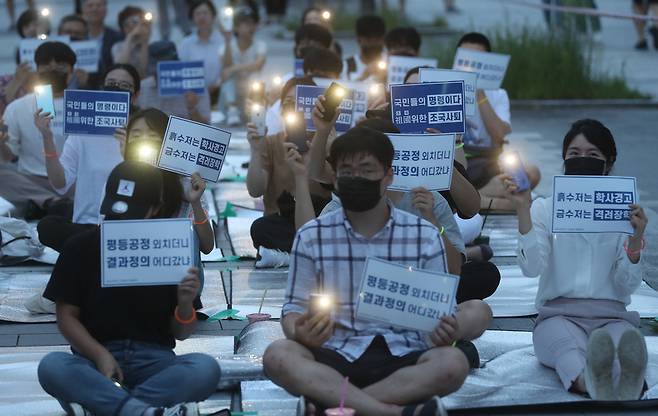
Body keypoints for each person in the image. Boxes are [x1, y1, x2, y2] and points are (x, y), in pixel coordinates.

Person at [263, 127, 492, 416]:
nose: (356, 177)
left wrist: (443, 330)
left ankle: (337, 405)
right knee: (279, 355)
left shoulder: (424, 235)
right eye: (347, 169)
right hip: (333, 350)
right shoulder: (312, 236)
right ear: (334, 177)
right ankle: (391, 412)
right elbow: (292, 309)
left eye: (367, 169)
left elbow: (439, 313)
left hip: (403, 352)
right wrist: (299, 330)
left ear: (388, 176)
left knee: (452, 363)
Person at [38, 160, 221, 416]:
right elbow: (66, 317)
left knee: (205, 368)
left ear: (155, 209)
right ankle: (143, 411)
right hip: (94, 361)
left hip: (156, 361)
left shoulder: (170, 249)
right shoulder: (80, 247)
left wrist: (184, 302)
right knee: (52, 366)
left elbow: (182, 332)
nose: (122, 220)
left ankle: (114, 406)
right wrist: (100, 355)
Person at [505, 119, 649, 400]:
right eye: (574, 154)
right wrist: (523, 209)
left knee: (623, 352)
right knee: (569, 352)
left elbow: (627, 284)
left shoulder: (625, 210)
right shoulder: (544, 208)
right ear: (564, 160)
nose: (582, 160)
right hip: (558, 316)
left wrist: (635, 239)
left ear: (609, 163)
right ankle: (591, 384)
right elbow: (531, 267)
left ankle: (628, 384)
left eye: (593, 155)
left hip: (613, 316)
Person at [36, 64, 140, 252]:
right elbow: (60, 184)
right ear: (102, 88)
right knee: (47, 226)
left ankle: (89, 249)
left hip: (129, 225)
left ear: (136, 95)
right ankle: (93, 247)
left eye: (124, 86)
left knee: (81, 244)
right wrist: (47, 136)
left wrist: (129, 151)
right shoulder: (82, 133)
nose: (116, 88)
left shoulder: (143, 131)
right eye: (111, 83)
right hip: (87, 225)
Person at [247, 77, 331, 261]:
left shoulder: (325, 140)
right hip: (281, 221)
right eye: (288, 103)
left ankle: (290, 253)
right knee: (260, 228)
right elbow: (255, 190)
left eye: (300, 103)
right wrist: (255, 149)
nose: (294, 109)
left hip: (318, 221)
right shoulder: (271, 142)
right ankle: (303, 251)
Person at [456, 32, 541, 211]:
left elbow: (499, 135)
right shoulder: (445, 87)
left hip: (488, 161)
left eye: (476, 60)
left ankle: (477, 197)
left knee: (531, 173)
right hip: (459, 162)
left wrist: (479, 94)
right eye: (465, 59)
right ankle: (490, 199)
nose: (470, 65)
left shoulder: (498, 93)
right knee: (515, 192)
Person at [0, 41, 74, 218]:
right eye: (46, 64)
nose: (53, 68)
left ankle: (46, 203)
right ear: (37, 69)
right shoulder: (17, 107)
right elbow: (9, 157)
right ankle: (52, 202)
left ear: (71, 70)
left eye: (61, 64)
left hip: (73, 181)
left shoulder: (85, 105)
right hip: (32, 181)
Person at [136, 41, 211, 124]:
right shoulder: (142, 88)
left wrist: (192, 108)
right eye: (156, 70)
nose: (159, 74)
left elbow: (207, 128)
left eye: (164, 69)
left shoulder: (196, 86)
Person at [220, 6, 266, 126]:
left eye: (253, 24)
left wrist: (233, 69)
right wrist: (227, 41)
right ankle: (232, 109)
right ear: (236, 27)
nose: (251, 27)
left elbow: (258, 65)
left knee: (255, 76)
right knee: (227, 75)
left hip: (250, 94)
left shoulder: (260, 45)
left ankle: (254, 109)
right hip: (231, 95)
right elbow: (226, 64)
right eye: (245, 24)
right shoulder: (226, 46)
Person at [178, 0, 225, 105]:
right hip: (194, 97)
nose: (201, 17)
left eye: (205, 13)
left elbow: (228, 68)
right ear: (192, 18)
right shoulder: (186, 43)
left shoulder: (223, 40)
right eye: (197, 14)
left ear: (213, 16)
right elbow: (181, 71)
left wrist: (215, 86)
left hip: (220, 93)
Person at [81, 0, 124, 89]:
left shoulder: (118, 36)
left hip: (113, 86)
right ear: (83, 10)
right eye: (90, 5)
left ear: (106, 10)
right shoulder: (78, 38)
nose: (95, 9)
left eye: (99, 5)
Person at [112, 6, 152, 78]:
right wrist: (130, 37)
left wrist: (144, 41)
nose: (137, 26)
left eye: (138, 22)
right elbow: (120, 67)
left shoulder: (150, 48)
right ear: (124, 27)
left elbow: (143, 71)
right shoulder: (118, 46)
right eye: (133, 22)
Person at [343, 15, 387, 82]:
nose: (373, 43)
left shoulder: (393, 65)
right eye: (368, 39)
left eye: (377, 38)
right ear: (358, 39)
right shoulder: (346, 66)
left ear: (383, 39)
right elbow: (334, 92)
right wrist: (364, 76)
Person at [58, 14, 92, 89]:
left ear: (85, 36)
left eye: (78, 33)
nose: (72, 35)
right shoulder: (47, 57)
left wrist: (85, 86)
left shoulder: (95, 62)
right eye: (68, 32)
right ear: (59, 33)